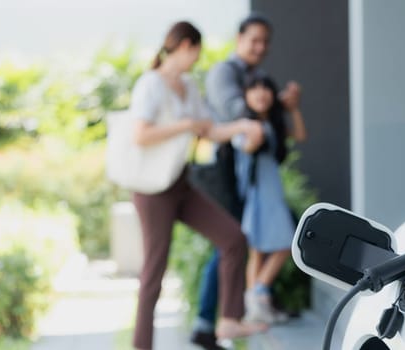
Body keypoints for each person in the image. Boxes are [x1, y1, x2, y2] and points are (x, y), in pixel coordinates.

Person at [128, 21, 266, 350]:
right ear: (186, 45)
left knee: (233, 238)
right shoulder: (150, 84)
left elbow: (210, 130)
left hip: (180, 185)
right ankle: (141, 345)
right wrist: (185, 125)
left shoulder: (189, 86)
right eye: (197, 51)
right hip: (152, 192)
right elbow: (140, 135)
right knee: (154, 272)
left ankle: (230, 320)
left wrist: (243, 126)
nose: (198, 59)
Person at [190, 13, 306, 349]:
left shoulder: (258, 76)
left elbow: (277, 124)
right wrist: (272, 105)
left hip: (244, 172)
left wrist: (282, 107)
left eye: (265, 41)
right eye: (254, 40)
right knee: (230, 241)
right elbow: (235, 113)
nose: (260, 47)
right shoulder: (225, 72)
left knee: (237, 242)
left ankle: (238, 311)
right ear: (239, 39)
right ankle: (215, 318)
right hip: (226, 170)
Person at [236, 75, 306, 322]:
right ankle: (258, 297)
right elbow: (246, 146)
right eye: (254, 89)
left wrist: (292, 108)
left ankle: (256, 302)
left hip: (269, 191)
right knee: (272, 246)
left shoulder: (271, 124)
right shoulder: (245, 124)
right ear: (245, 95)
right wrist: (253, 133)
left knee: (265, 248)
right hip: (258, 192)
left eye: (265, 89)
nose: (260, 94)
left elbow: (299, 135)